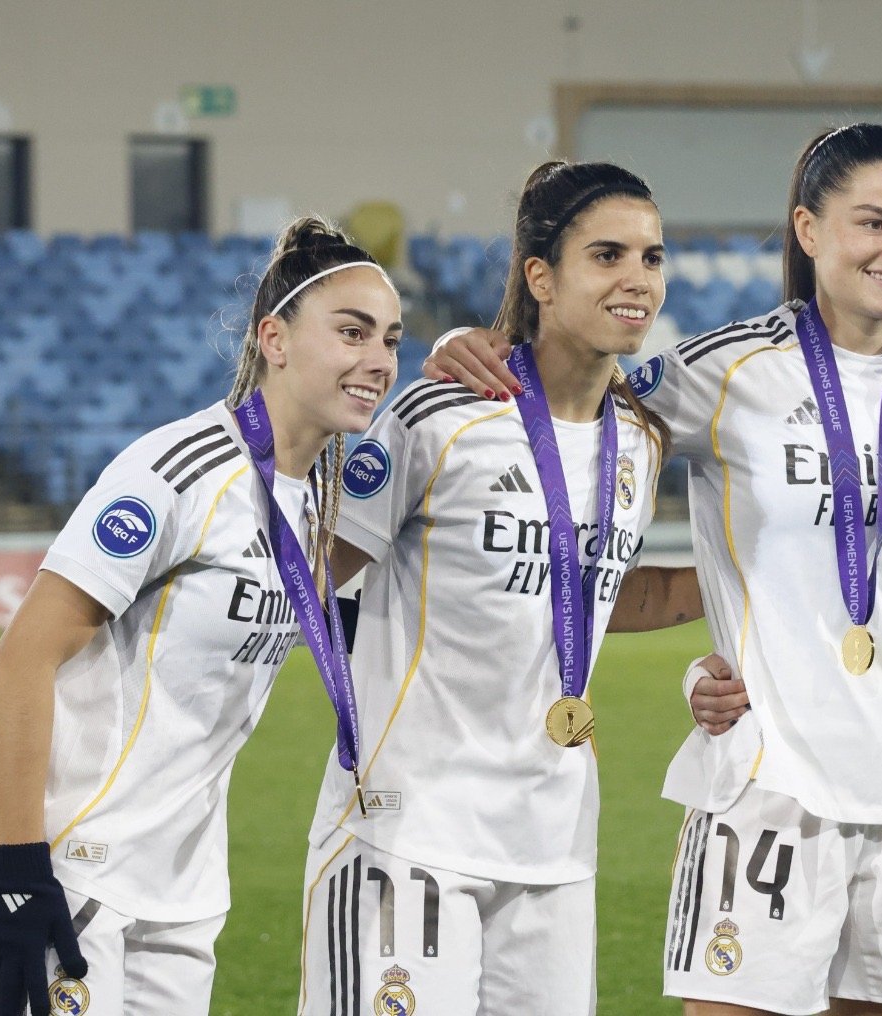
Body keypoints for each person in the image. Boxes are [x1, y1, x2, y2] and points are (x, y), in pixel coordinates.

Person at [427, 123, 882, 1016]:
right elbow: (565, 396)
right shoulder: (720, 370)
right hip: (772, 784)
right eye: (872, 222)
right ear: (808, 230)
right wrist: (475, 342)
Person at [0, 217, 401, 1016]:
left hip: (180, 894)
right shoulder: (178, 471)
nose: (379, 360)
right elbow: (19, 659)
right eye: (351, 332)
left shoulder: (321, 496)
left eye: (390, 338)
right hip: (62, 866)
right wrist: (16, 870)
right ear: (275, 339)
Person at [297, 161, 702, 1016]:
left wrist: (749, 585)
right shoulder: (439, 415)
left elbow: (589, 593)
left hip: (553, 843)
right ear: (541, 277)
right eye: (608, 254)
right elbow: (314, 571)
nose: (638, 279)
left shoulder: (639, 439)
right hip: (408, 832)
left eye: (653, 257)